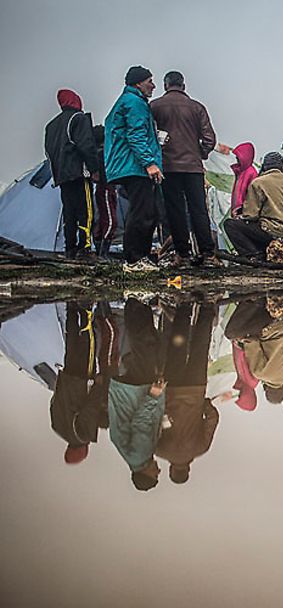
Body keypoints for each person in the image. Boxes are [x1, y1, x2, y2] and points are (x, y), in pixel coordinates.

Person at [149, 71, 219, 268]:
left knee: (175, 211)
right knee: (199, 210)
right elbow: (209, 139)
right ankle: (208, 255)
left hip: (168, 167)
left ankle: (183, 255)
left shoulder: (154, 107)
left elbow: (147, 134)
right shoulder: (197, 108)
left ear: (166, 85)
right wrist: (200, 154)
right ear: (183, 85)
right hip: (193, 168)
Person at [104, 66, 164, 271]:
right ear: (138, 83)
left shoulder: (129, 101)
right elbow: (136, 135)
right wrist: (150, 163)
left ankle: (141, 256)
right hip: (135, 167)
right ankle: (134, 258)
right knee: (143, 212)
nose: (153, 85)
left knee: (148, 211)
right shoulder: (134, 102)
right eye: (150, 81)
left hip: (132, 165)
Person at [155, 302, 219, 485]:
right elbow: (154, 423)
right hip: (172, 390)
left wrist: (204, 403)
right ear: (171, 469)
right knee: (177, 348)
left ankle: (206, 307)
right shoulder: (161, 450)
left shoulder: (200, 448)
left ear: (188, 469)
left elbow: (212, 419)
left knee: (200, 347)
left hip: (195, 388)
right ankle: (184, 306)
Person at [109, 298, 166, 491]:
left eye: (155, 475)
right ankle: (140, 304)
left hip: (137, 390)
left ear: (146, 474)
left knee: (145, 345)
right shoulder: (132, 456)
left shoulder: (140, 455)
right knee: (148, 346)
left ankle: (135, 302)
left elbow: (141, 423)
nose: (158, 471)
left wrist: (154, 395)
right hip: (129, 391)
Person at [49, 302, 115, 465]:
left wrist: (99, 387)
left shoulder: (83, 435)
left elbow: (89, 409)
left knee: (88, 342)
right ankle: (72, 309)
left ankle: (85, 310)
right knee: (71, 345)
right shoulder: (57, 427)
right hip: (67, 379)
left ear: (82, 451)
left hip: (83, 381)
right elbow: (53, 402)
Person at [44, 89, 100, 260]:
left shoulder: (51, 125)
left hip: (62, 176)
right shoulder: (78, 119)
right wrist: (94, 169)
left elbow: (49, 152)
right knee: (86, 211)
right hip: (79, 173)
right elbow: (86, 145)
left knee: (69, 212)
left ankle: (70, 248)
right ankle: (85, 248)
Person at [224, 152, 283, 259]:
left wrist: (240, 214)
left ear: (265, 166)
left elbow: (250, 214)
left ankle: (253, 255)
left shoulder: (259, 182)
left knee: (230, 225)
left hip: (271, 230)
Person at [91, 125, 118, 257]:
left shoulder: (98, 153)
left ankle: (99, 248)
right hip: (106, 188)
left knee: (103, 219)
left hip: (107, 189)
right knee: (110, 221)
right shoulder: (103, 154)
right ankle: (103, 252)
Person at [229, 142, 258, 217]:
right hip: (237, 211)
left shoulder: (251, 173)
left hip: (244, 212)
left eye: (238, 156)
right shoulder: (240, 172)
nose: (236, 158)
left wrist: (242, 209)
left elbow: (252, 197)